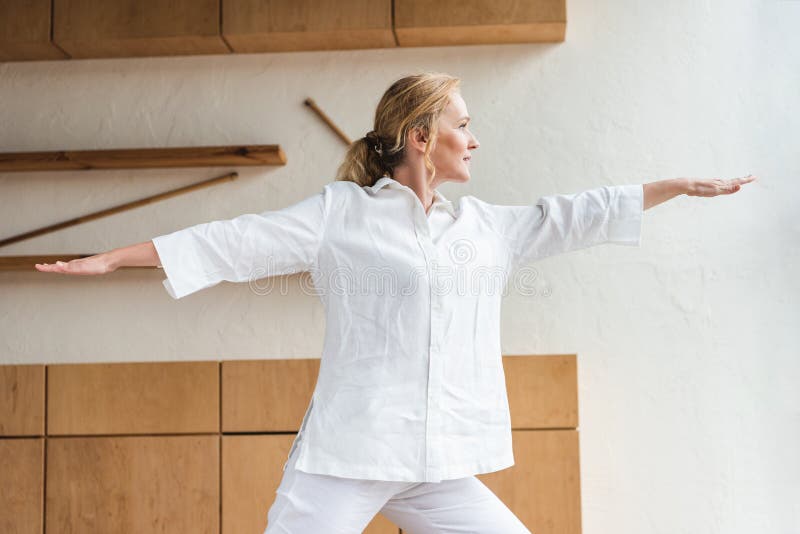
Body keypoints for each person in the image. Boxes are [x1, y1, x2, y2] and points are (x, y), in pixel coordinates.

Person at [35, 72, 757, 533]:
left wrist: (675, 186)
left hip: (433, 460)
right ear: (420, 137)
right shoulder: (342, 215)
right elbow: (236, 241)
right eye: (462, 125)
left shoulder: (482, 228)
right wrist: (115, 257)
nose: (475, 138)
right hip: (347, 455)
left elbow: (572, 214)